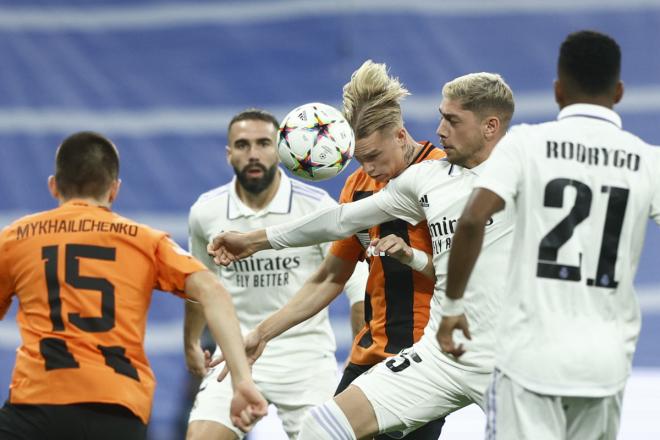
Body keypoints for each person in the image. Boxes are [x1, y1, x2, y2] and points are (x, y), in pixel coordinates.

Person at [209, 72, 515, 439]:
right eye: (358, 159)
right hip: (414, 355)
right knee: (320, 428)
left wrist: (414, 259)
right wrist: (257, 245)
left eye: (450, 120)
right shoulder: (414, 181)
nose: (439, 129)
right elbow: (337, 237)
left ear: (400, 136)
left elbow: (475, 274)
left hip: (494, 353)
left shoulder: (516, 177)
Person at [438, 30, 660, 440]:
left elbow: (472, 220)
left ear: (558, 90)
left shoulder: (526, 144)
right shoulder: (648, 161)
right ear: (621, 91)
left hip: (530, 358)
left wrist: (452, 305)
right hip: (605, 364)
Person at [0, 132, 267, 440]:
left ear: (53, 186)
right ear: (114, 190)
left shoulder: (16, 238)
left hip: (36, 409)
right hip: (119, 411)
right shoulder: (145, 241)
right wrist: (241, 380)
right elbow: (213, 291)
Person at [184, 109, 368, 440]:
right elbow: (200, 286)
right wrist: (191, 343)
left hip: (307, 358)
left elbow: (357, 286)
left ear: (281, 150)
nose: (253, 154)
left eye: (263, 143)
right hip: (236, 356)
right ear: (229, 155)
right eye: (242, 145)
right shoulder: (205, 212)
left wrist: (361, 361)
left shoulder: (316, 207)